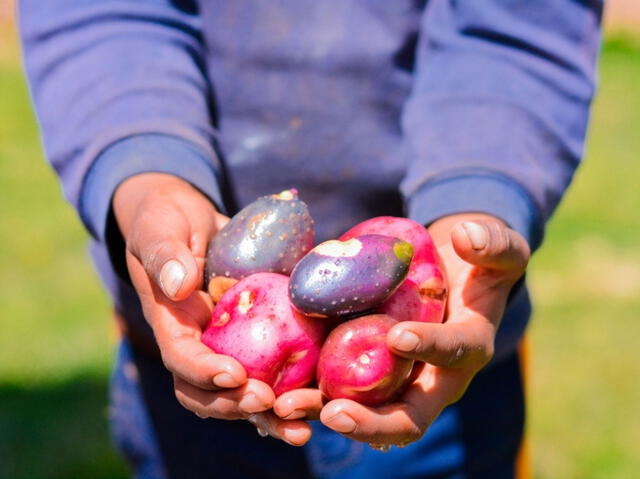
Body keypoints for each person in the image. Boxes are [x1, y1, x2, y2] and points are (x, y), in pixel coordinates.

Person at [19, 1, 602, 477]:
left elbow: (516, 28)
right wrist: (148, 179)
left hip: (444, 375)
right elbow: (103, 17)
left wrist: (477, 200)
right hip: (182, 364)